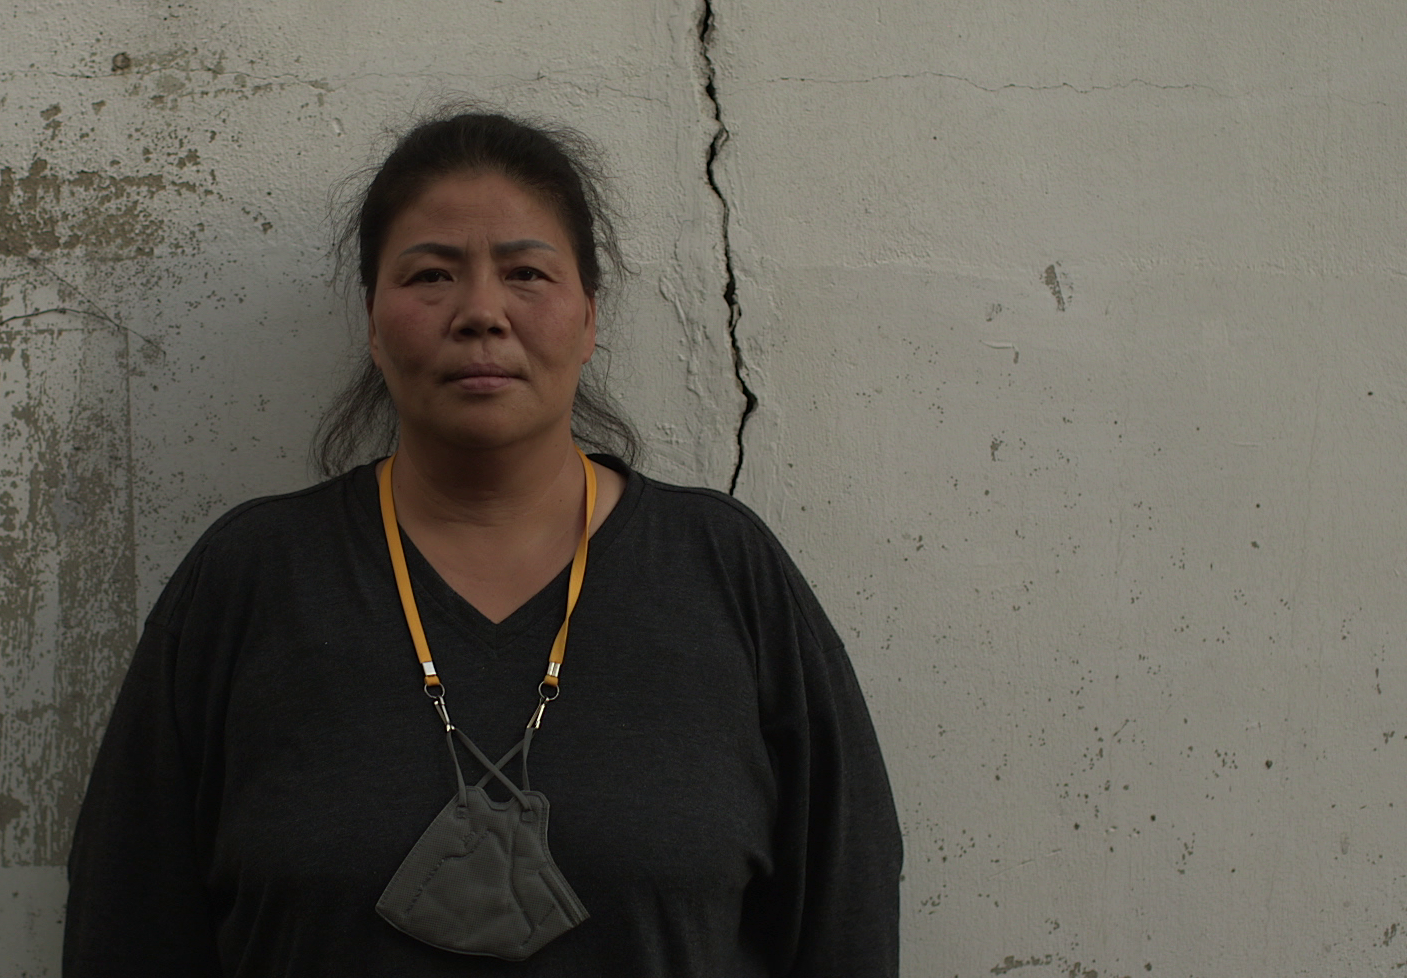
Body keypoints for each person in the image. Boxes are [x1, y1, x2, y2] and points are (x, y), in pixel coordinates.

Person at [63, 111, 902, 976]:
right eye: (431, 275)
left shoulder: (725, 574)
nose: (481, 313)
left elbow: (846, 915)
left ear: (588, 318)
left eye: (526, 273)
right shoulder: (250, 580)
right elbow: (127, 923)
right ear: (373, 322)